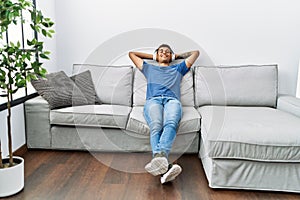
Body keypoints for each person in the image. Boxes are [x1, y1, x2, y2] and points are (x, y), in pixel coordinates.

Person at [129, 44, 199, 184]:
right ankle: (166, 166)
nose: (164, 53)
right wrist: (154, 57)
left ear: (171, 56)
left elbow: (195, 53)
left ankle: (159, 160)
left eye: (167, 52)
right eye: (161, 51)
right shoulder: (149, 67)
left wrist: (176, 57)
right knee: (156, 125)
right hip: (153, 100)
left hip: (172, 100)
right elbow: (132, 54)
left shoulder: (178, 68)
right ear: (156, 55)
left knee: (171, 123)